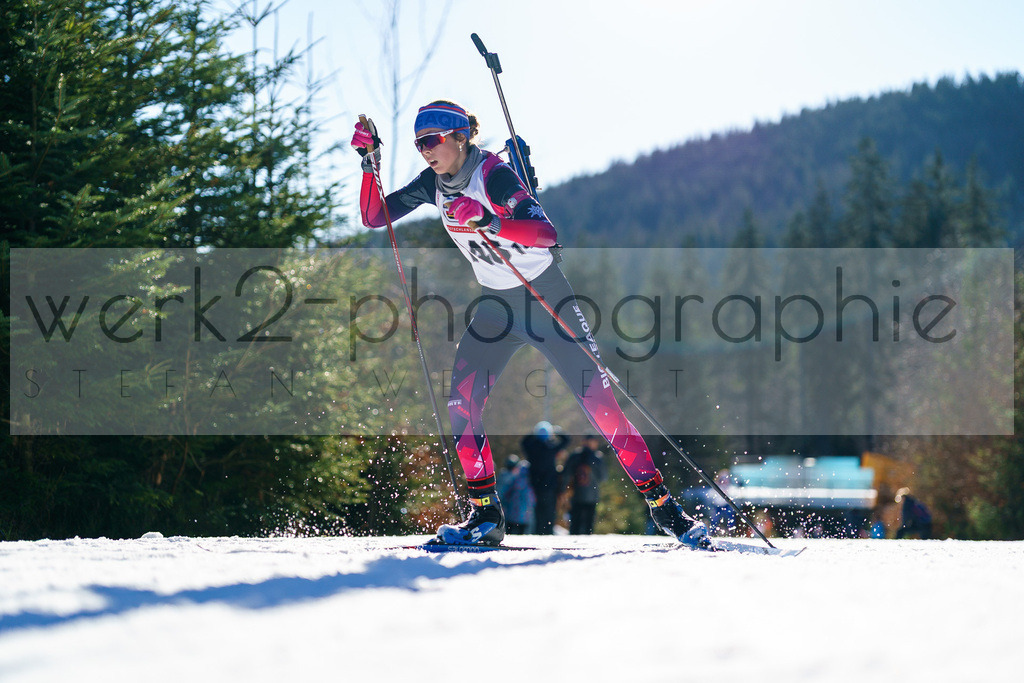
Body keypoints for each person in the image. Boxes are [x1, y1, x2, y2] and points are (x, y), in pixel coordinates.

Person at [350, 100, 710, 548]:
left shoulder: (494, 175)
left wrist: (488, 218)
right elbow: (375, 217)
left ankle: (665, 509)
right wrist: (369, 164)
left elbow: (545, 233)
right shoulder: (433, 183)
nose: (424, 150)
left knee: (601, 408)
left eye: (432, 140)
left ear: (460, 138)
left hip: (546, 299)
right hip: (496, 308)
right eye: (418, 143)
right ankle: (486, 515)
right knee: (461, 405)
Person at [520, 421, 570, 535]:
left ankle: (538, 532)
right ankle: (548, 531)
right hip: (550, 486)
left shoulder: (532, 448)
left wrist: (534, 433)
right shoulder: (551, 448)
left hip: (535, 485)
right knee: (549, 512)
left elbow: (523, 442)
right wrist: (557, 431)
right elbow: (566, 440)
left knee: (538, 512)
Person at [563, 435, 608, 535]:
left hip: (582, 495)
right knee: (584, 525)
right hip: (583, 495)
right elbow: (603, 478)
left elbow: (566, 475)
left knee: (579, 524)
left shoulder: (578, 456)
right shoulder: (595, 457)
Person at [496, 454, 535, 535]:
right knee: (520, 532)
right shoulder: (528, 482)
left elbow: (503, 494)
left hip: (512, 513)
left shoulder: (511, 479)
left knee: (511, 531)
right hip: (524, 515)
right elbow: (531, 499)